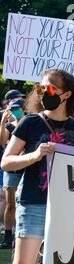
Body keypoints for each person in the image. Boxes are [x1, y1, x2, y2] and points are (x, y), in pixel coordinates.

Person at [1, 69, 74, 264]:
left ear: (66, 95)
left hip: (65, 208)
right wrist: (34, 156)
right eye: (41, 88)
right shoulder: (30, 122)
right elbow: (6, 162)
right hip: (34, 203)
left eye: (51, 88)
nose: (44, 92)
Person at [0, 99, 26, 249]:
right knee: (11, 204)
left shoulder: (28, 124)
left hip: (26, 167)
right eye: (12, 108)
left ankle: (20, 234)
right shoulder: (10, 126)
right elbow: (2, 141)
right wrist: (3, 123)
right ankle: (8, 236)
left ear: (23, 109)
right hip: (11, 169)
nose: (15, 111)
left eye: (17, 108)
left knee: (23, 202)